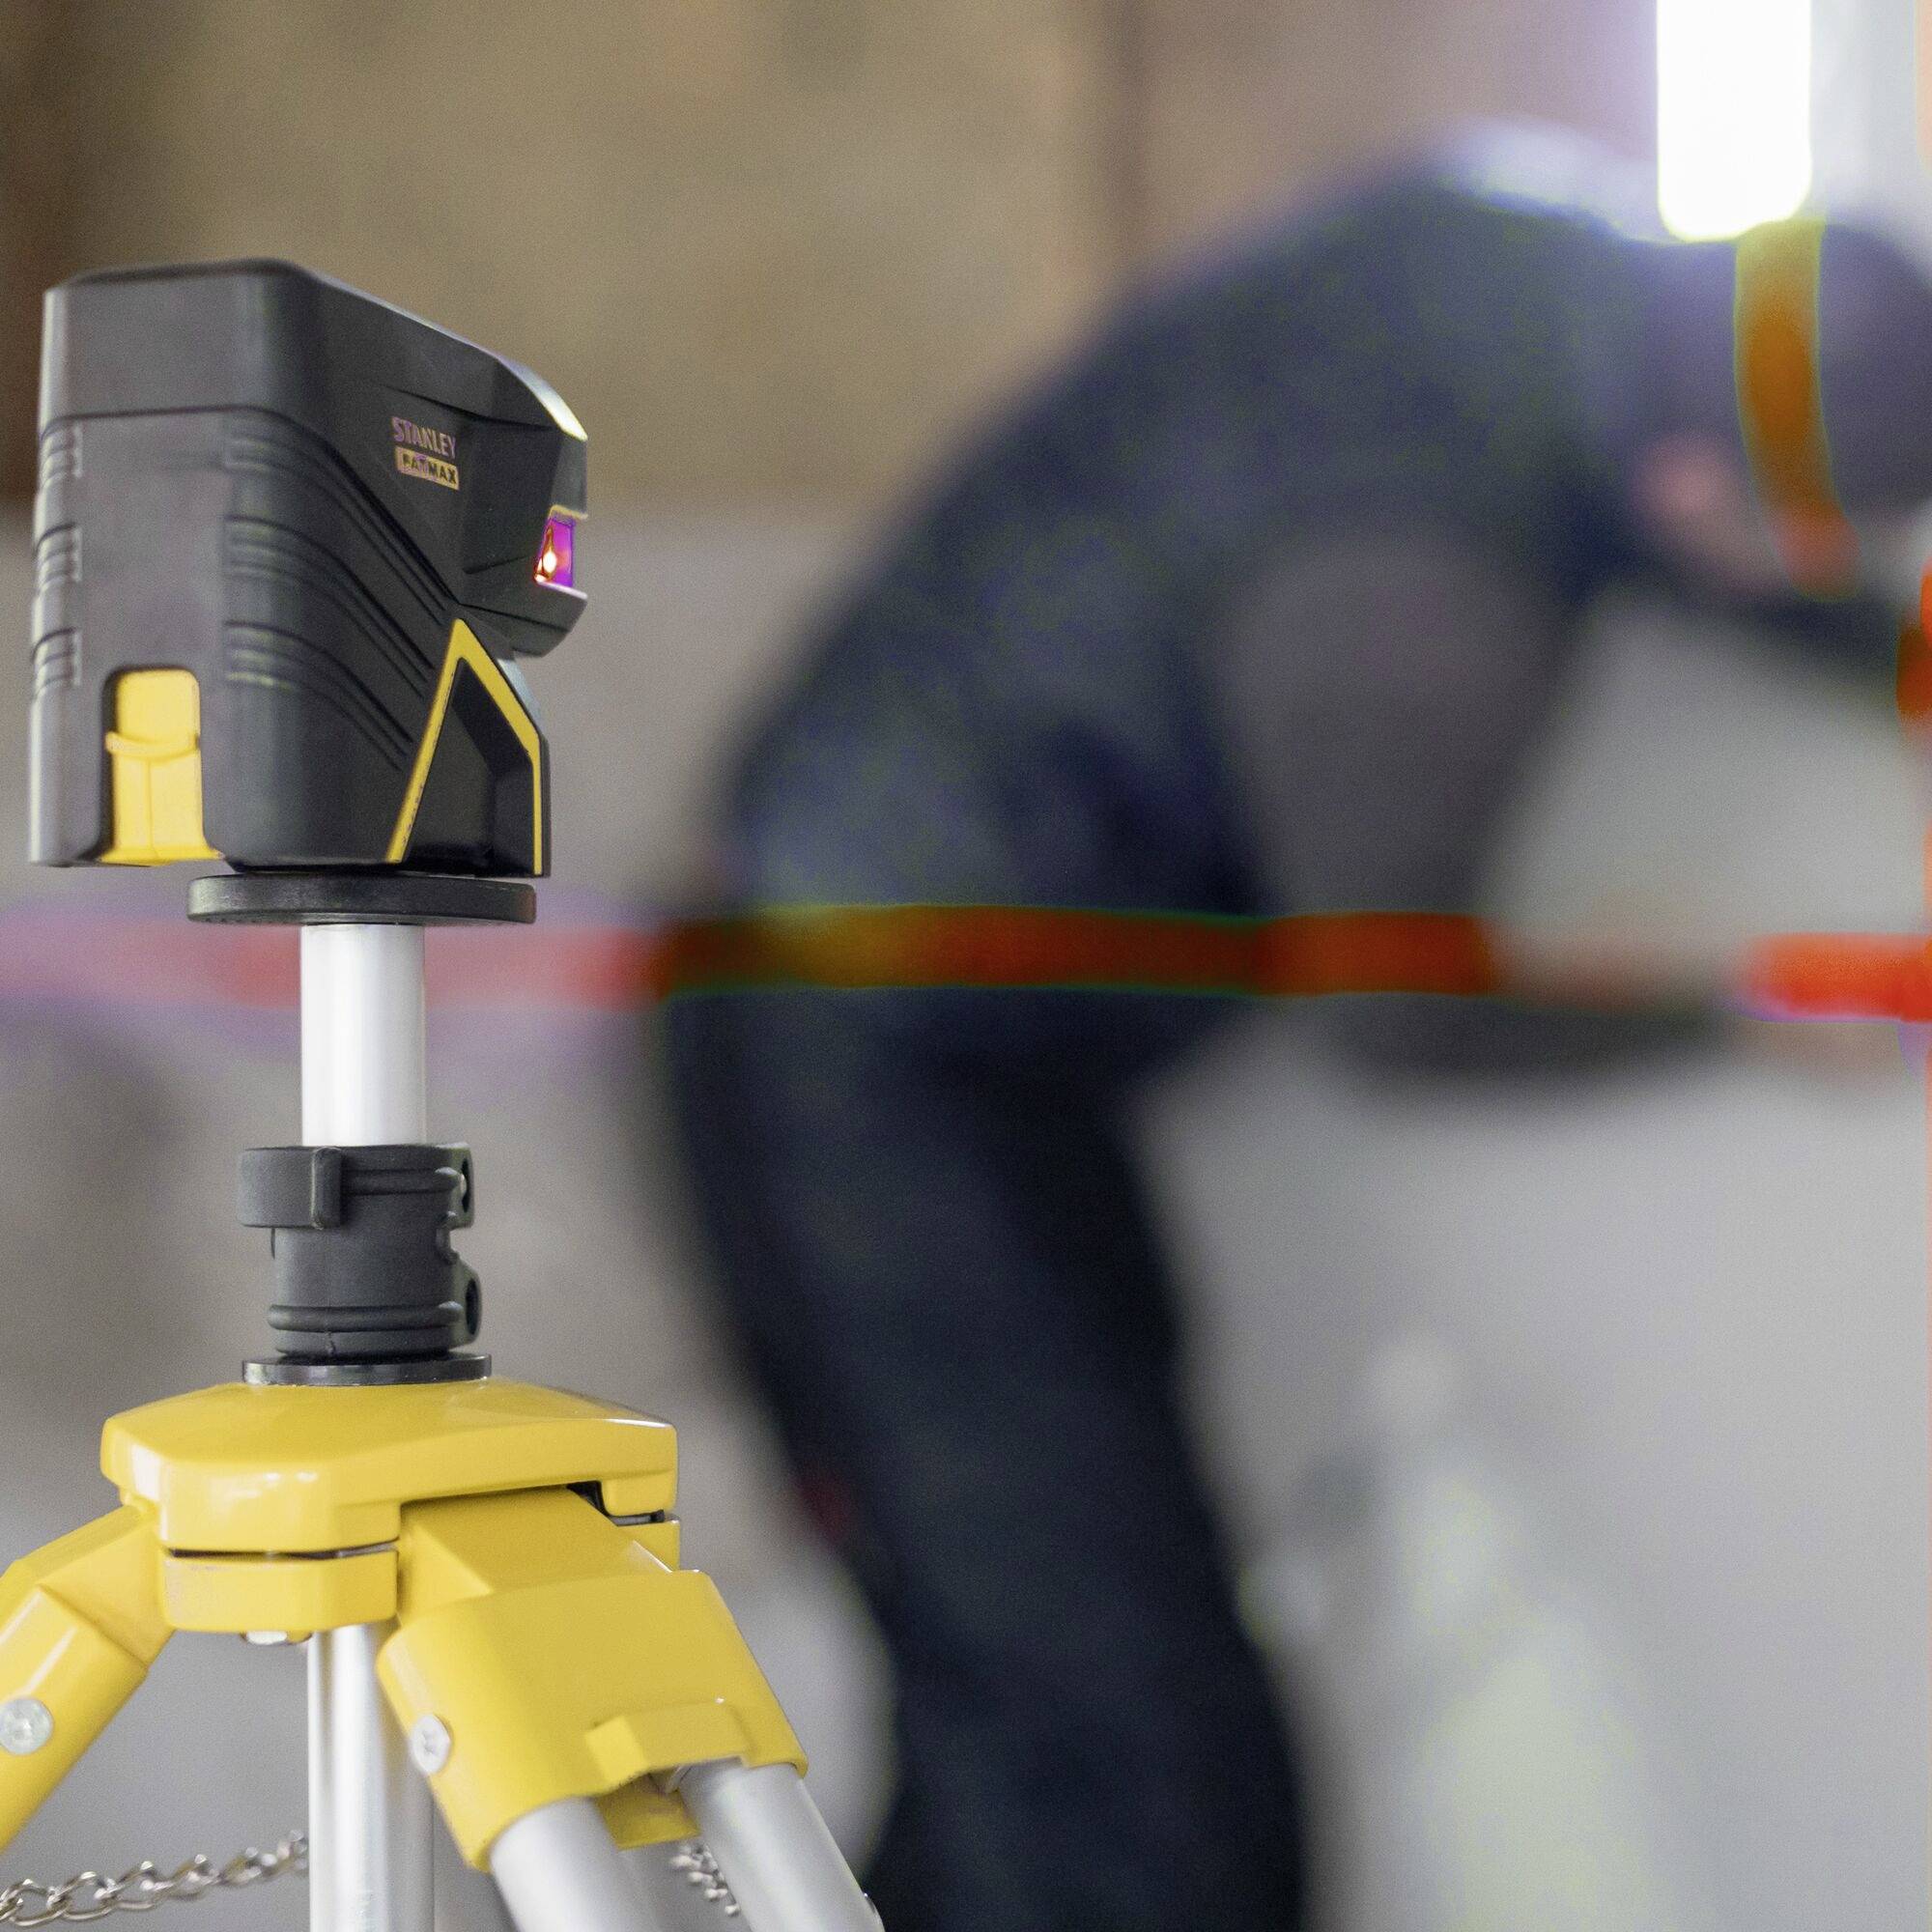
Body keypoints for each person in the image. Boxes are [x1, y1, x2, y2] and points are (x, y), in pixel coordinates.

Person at [659, 128, 1932, 1932]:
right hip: (865, 1069)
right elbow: (1398, 1017)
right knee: (1143, 1783)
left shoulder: (1533, 259)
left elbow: (1699, 530)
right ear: (1688, 486)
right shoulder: (1423, 600)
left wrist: (1896, 662)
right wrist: (1746, 1011)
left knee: (1027, 1732)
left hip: (876, 1004)